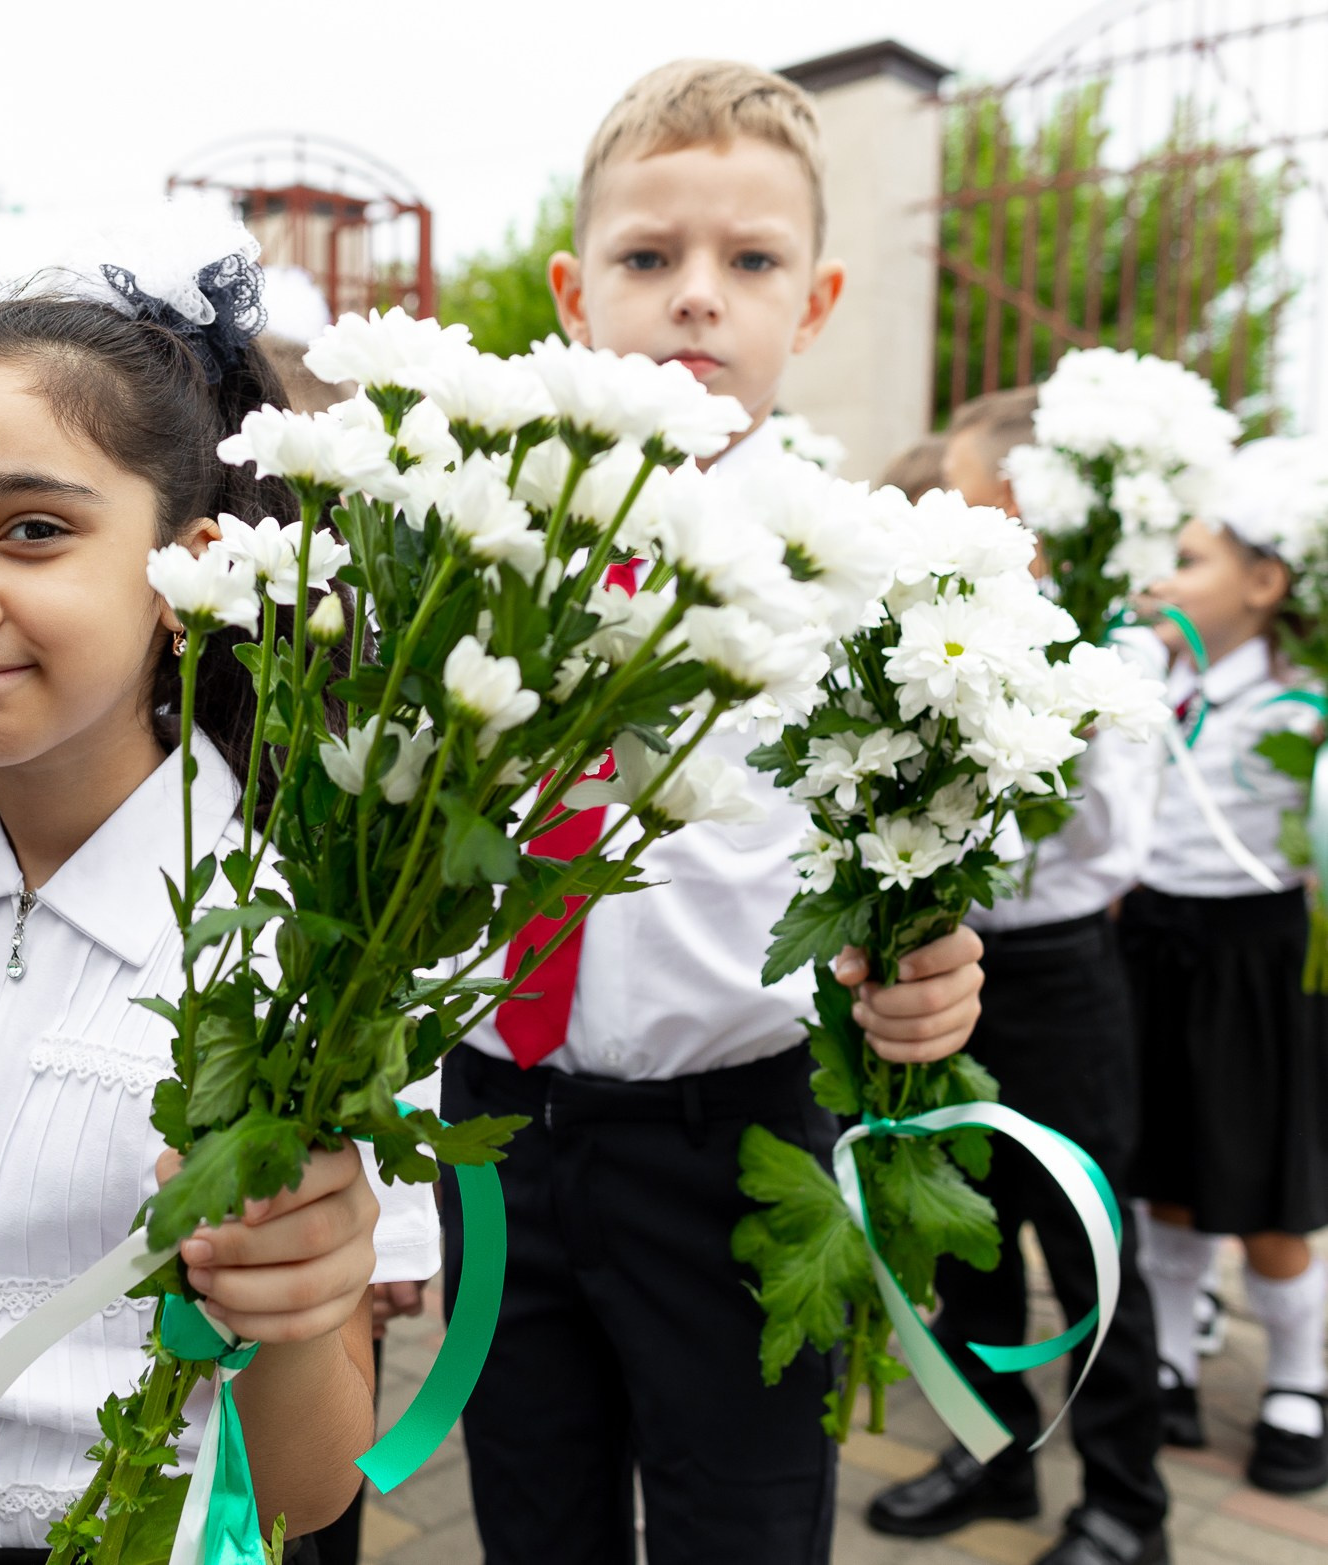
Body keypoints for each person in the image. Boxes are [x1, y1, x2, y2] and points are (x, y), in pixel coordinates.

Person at [0, 224, 441, 1565]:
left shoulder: (308, 934)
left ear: (191, 564)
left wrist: (297, 1289)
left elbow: (302, 1488)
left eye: (32, 529)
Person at [437, 59, 990, 1565]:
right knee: (529, 1513)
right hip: (501, 1129)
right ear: (571, 291)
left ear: (809, 304)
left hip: (730, 1138)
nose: (694, 298)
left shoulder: (861, 575)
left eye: (745, 263)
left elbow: (911, 867)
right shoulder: (477, 526)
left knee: (736, 1524)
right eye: (645, 258)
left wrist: (931, 969)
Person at [862, 385, 1171, 1565]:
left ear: (1020, 509)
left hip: (1051, 967)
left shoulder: (1100, 644)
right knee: (965, 1219)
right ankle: (990, 1454)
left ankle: (1125, 1503)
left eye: (967, 488)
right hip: (940, 955)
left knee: (1086, 1239)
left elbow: (1107, 850)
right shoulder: (942, 625)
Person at [1125, 443, 1328, 1496]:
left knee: (1264, 1194)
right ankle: (1167, 1346)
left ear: (1263, 583)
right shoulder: (1152, 687)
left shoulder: (1303, 715)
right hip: (1155, 948)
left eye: (1190, 559)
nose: (1161, 576)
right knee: (1164, 1175)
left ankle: (1299, 1372)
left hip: (1254, 965)